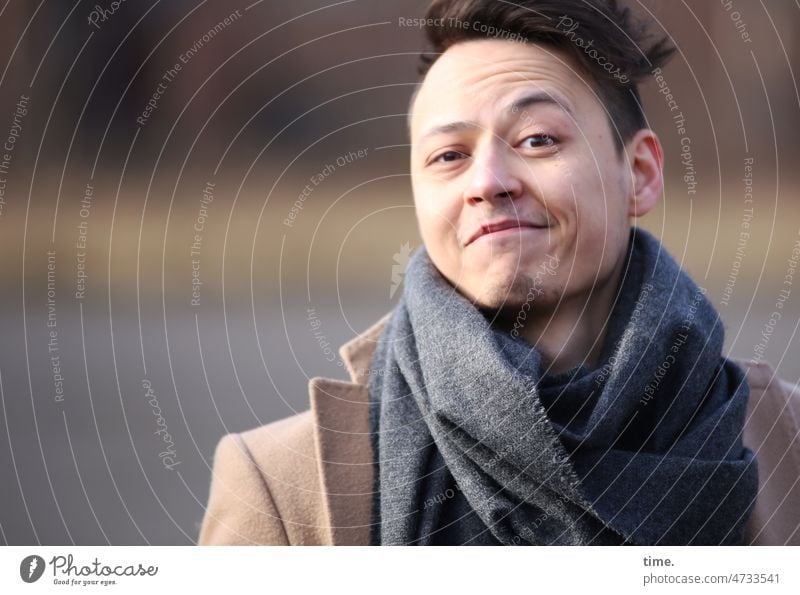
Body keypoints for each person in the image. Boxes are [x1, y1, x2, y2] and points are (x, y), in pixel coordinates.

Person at [198, 0, 800, 545]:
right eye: (449, 156)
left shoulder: (786, 444)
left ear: (638, 173)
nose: (488, 182)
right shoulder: (278, 484)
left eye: (537, 139)